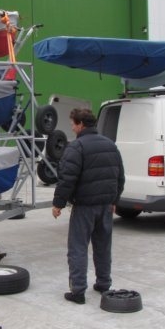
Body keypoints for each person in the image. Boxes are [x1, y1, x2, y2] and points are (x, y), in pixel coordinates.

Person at [52, 108, 124, 304]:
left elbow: (67, 178)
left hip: (84, 207)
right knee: (103, 247)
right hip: (106, 206)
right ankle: (103, 284)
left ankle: (78, 291)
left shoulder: (77, 147)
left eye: (73, 124)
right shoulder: (110, 145)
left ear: (81, 124)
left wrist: (58, 204)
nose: (72, 128)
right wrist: (114, 201)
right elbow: (120, 177)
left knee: (78, 248)